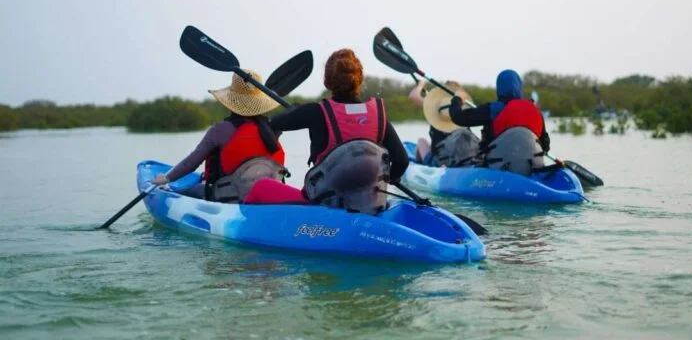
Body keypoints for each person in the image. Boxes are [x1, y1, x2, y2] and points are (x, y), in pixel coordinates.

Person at [270, 49, 409, 214]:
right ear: (359, 80)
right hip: (370, 205)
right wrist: (391, 177)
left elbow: (275, 123)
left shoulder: (315, 111)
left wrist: (295, 110)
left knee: (262, 188)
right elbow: (402, 160)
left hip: (326, 206)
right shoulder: (378, 114)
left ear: (327, 82)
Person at [151, 70, 287, 202]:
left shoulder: (220, 129)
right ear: (259, 102)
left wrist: (167, 178)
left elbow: (191, 163)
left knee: (186, 192)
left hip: (226, 196)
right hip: (266, 193)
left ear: (231, 101)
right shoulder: (272, 128)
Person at [449, 69, 551, 175]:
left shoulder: (493, 109)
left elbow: (458, 117)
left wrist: (457, 99)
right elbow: (545, 146)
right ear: (520, 87)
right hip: (533, 168)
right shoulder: (534, 110)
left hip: (497, 169)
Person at [408, 80, 479, 167]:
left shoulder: (436, 109)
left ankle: (420, 165)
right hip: (465, 159)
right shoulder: (464, 112)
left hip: (441, 162)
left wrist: (421, 84)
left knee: (421, 141)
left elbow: (413, 96)